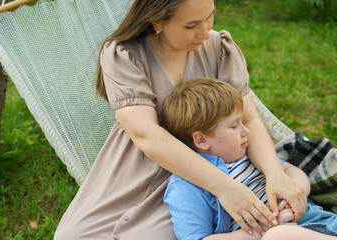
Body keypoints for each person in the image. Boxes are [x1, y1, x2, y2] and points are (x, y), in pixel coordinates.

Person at [54, 0, 307, 239]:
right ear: (157, 22)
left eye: (209, 16)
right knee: (71, 236)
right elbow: (146, 136)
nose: (205, 32)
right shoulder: (125, 54)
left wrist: (275, 175)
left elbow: (249, 120)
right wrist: (225, 188)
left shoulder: (219, 48)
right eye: (190, 25)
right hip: (137, 166)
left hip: (199, 175)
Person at [162, 78, 337, 240]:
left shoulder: (248, 155)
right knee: (279, 236)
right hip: (273, 236)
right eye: (234, 126)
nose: (245, 131)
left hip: (322, 223)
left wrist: (295, 193)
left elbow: (290, 172)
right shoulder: (185, 187)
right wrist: (266, 227)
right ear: (201, 139)